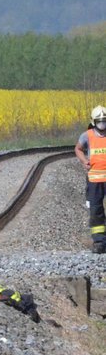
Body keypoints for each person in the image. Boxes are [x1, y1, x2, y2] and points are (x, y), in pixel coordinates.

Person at [75, 105, 106, 253]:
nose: (102, 123)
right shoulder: (87, 135)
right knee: (96, 210)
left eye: (104, 120)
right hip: (94, 181)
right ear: (93, 121)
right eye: (99, 120)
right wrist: (84, 161)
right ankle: (99, 241)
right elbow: (78, 148)